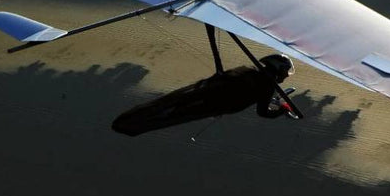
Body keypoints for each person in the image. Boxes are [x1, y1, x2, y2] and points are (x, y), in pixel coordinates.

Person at [112, 54, 297, 137]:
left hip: (205, 93)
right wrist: (280, 110)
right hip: (214, 104)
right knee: (177, 114)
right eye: (284, 74)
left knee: (173, 105)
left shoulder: (248, 71)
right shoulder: (266, 86)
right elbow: (263, 112)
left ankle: (132, 121)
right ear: (278, 71)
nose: (283, 78)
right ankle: (132, 125)